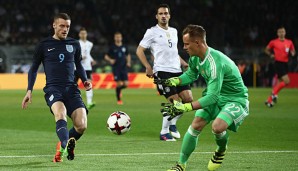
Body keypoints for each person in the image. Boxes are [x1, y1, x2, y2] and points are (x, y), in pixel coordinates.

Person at [157, 25, 249, 171]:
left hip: (235, 99)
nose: (184, 47)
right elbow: (192, 74)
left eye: (187, 44)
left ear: (198, 43)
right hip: (216, 96)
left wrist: (186, 107)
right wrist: (176, 81)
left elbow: (212, 97)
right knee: (196, 124)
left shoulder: (215, 63)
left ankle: (220, 150)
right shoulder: (194, 57)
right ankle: (181, 164)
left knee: (217, 127)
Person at [21, 13, 92, 163]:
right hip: (53, 89)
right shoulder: (44, 45)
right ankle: (67, 145)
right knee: (60, 114)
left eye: (67, 26)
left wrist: (85, 80)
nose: (65, 29)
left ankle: (62, 145)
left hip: (71, 89)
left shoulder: (74, 44)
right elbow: (34, 68)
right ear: (54, 25)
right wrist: (29, 90)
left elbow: (78, 65)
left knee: (81, 125)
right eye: (62, 26)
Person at [136, 3, 192, 141]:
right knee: (175, 102)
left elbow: (174, 52)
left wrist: (183, 63)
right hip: (162, 71)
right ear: (156, 16)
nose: (163, 16)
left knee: (188, 100)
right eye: (160, 13)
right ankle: (164, 132)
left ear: (169, 15)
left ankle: (172, 123)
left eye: (166, 13)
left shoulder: (173, 31)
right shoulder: (152, 32)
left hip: (177, 70)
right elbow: (139, 50)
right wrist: (148, 67)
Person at [264, 26, 296, 107]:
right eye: (280, 32)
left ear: (285, 33)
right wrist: (271, 55)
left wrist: (292, 53)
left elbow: (293, 51)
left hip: (285, 64)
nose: (282, 33)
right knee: (287, 81)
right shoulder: (273, 42)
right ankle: (273, 95)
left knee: (279, 82)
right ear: (277, 33)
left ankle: (269, 100)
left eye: (283, 32)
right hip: (278, 63)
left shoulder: (289, 42)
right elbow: (266, 49)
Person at [104, 32, 131, 105]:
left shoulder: (124, 46)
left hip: (124, 67)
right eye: (116, 37)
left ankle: (118, 90)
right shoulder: (112, 47)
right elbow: (106, 56)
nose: (118, 38)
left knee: (126, 84)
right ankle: (119, 100)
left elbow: (128, 55)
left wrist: (128, 62)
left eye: (119, 37)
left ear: (121, 38)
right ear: (114, 38)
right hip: (116, 68)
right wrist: (110, 60)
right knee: (119, 84)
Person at [75, 27, 96, 109]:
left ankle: (89, 102)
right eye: (82, 33)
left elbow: (88, 54)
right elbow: (74, 55)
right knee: (74, 85)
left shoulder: (90, 44)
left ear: (86, 34)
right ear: (79, 34)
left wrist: (92, 60)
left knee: (89, 84)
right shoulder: (76, 43)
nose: (83, 35)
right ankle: (75, 101)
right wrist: (80, 58)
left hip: (87, 67)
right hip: (77, 67)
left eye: (84, 33)